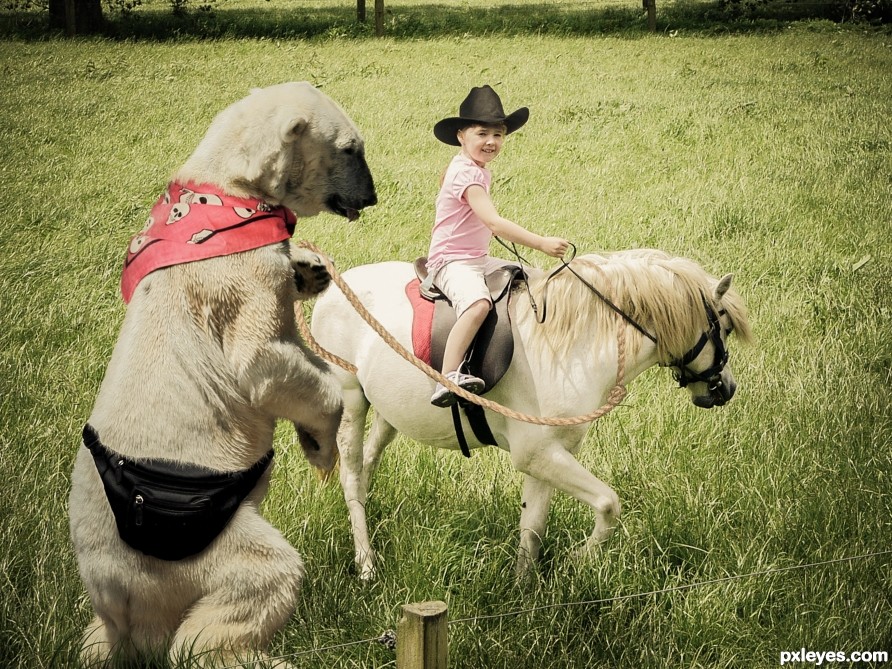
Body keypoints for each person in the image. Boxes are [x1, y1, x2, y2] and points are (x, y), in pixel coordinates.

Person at [427, 85, 570, 407]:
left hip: (477, 258)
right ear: (462, 135)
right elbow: (493, 222)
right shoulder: (468, 174)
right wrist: (541, 242)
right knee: (478, 304)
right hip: (453, 261)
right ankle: (448, 376)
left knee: (536, 280)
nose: (491, 141)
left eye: (499, 134)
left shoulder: (472, 167)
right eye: (482, 133)